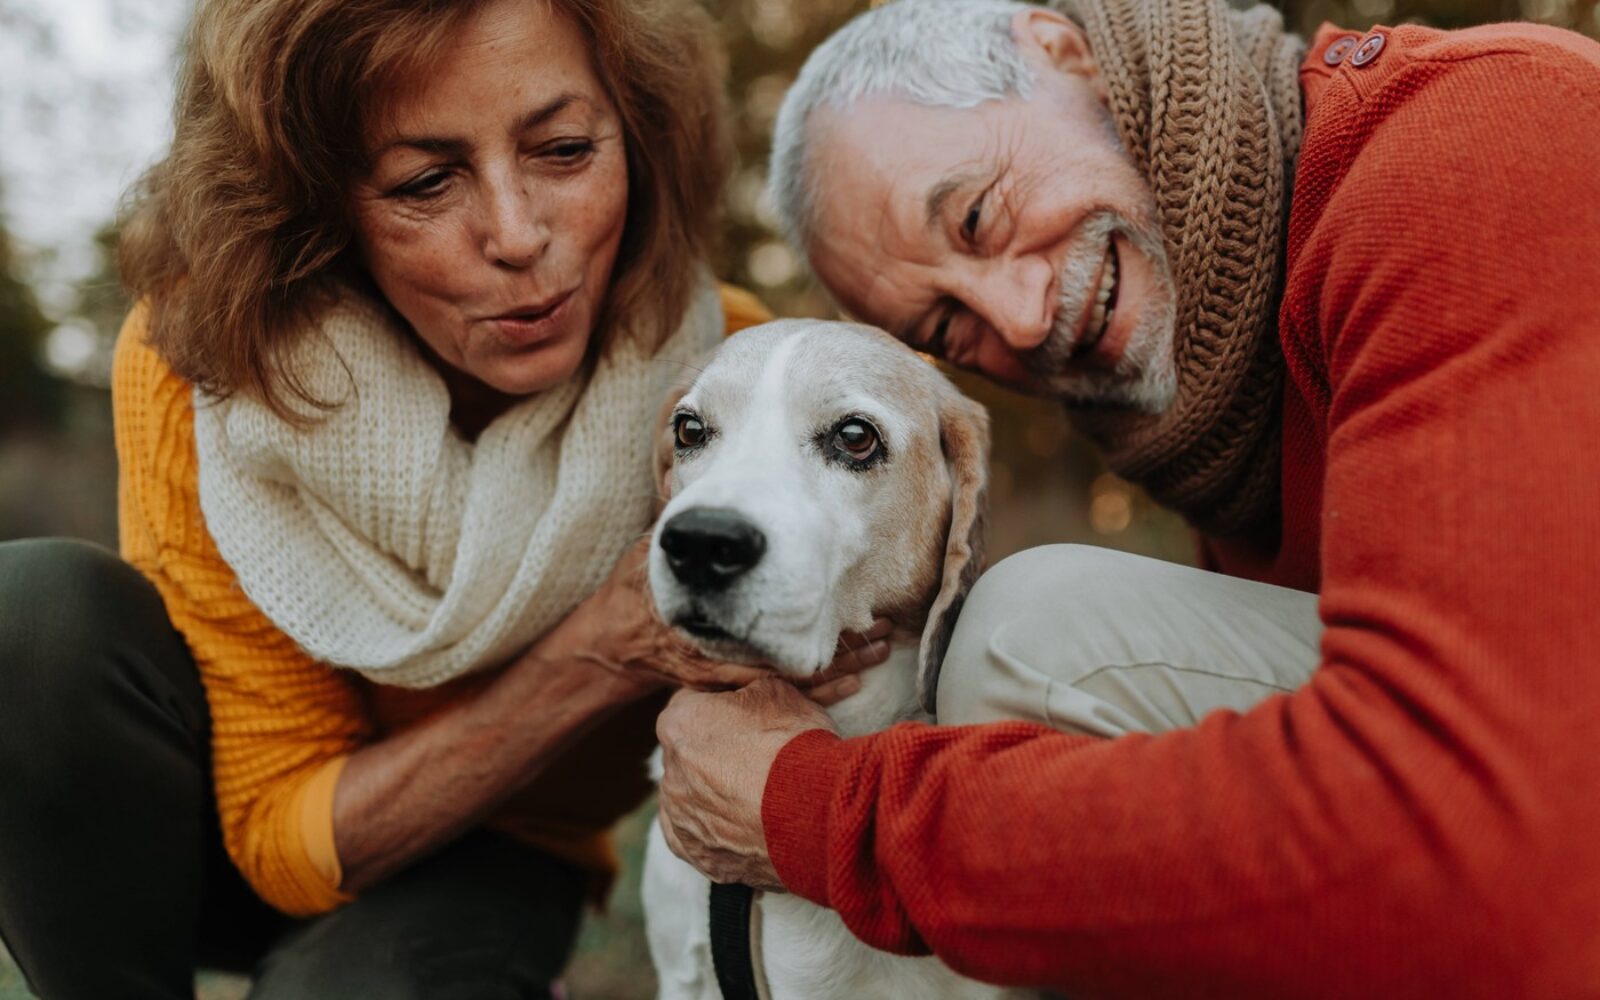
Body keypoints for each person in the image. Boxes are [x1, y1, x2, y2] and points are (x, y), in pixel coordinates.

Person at [653, 0, 1600, 995]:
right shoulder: (1227, 413)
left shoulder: (1483, 141)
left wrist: (815, 810)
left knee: (1038, 630)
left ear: (1062, 52)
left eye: (978, 214)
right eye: (943, 326)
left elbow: (1487, 835)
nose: (1019, 318)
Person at [0, 0, 882, 997]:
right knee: (29, 613)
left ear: (637, 134)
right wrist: (595, 650)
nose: (518, 236)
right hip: (206, 831)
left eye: (561, 149)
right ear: (311, 205)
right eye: (426, 180)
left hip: (495, 848)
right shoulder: (204, 360)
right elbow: (275, 837)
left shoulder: (723, 377)